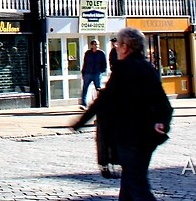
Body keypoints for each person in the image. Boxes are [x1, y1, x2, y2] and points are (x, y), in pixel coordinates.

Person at [72, 27, 172, 200]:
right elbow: (164, 104)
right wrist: (162, 122)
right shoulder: (148, 68)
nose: (116, 48)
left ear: (126, 47)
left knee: (137, 186)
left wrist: (81, 121)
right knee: (129, 185)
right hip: (146, 136)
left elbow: (104, 99)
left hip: (131, 136)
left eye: (117, 44)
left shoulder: (125, 68)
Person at [80, 39, 107, 109]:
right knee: (85, 89)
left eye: (98, 44)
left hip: (97, 73)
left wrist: (102, 70)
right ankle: (84, 104)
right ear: (92, 45)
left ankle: (100, 105)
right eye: (95, 44)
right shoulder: (88, 53)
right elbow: (85, 63)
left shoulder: (101, 53)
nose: (97, 46)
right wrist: (83, 72)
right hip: (88, 73)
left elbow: (104, 63)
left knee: (98, 89)